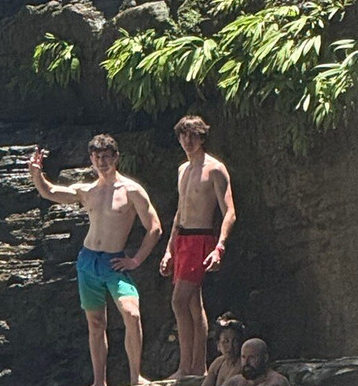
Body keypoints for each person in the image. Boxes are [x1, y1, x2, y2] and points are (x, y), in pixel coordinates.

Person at [29, 134, 162, 386]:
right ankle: (99, 382)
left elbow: (154, 228)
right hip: (88, 261)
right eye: (97, 157)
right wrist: (37, 174)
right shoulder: (87, 190)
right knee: (96, 323)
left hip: (114, 262)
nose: (101, 162)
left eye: (106, 156)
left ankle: (136, 379)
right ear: (91, 159)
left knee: (131, 314)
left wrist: (135, 260)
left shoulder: (132, 190)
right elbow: (50, 192)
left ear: (116, 157)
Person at [159, 115, 236, 379]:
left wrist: (219, 247)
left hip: (201, 239)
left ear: (202, 137)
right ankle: (198, 368)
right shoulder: (182, 170)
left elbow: (230, 212)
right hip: (182, 239)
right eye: (183, 135)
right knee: (192, 304)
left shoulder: (215, 168)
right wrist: (169, 249)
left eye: (193, 135)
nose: (188, 141)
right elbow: (180, 213)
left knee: (178, 301)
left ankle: (185, 366)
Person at [201, 313, 246, 386]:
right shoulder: (218, 363)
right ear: (218, 344)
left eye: (235, 341)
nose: (230, 346)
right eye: (226, 341)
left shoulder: (243, 365)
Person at [224, 338, 289, 386]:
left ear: (265, 358)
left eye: (252, 357)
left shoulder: (277, 382)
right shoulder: (235, 382)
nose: (246, 362)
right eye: (243, 357)